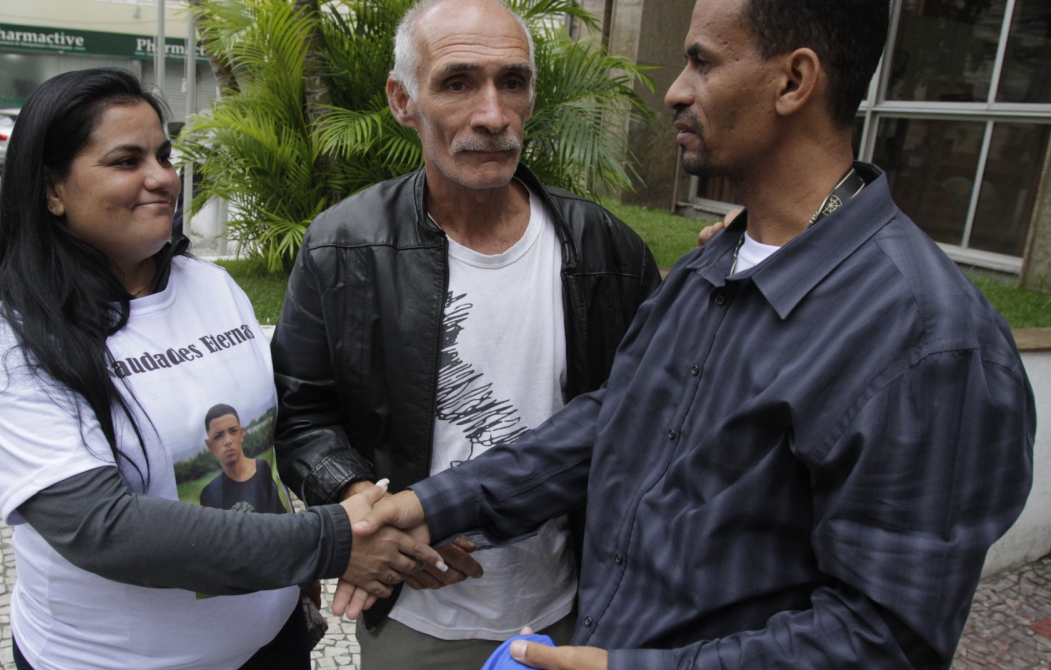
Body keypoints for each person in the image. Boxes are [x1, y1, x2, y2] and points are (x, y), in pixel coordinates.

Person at [353, 0, 1037, 667]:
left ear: (794, 81)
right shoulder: (715, 263)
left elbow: (888, 640)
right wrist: (437, 504)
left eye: (702, 63)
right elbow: (612, 421)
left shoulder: (927, 341)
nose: (676, 91)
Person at [0, 68, 443, 670]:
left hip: (272, 647)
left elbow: (274, 433)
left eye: (163, 155)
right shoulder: (9, 339)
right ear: (53, 189)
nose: (161, 178)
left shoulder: (210, 286)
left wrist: (356, 515)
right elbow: (102, 528)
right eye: (126, 161)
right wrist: (331, 543)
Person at [270, 0, 661, 667]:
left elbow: (647, 424)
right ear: (402, 99)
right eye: (457, 83)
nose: (492, 114)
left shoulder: (606, 251)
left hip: (576, 612)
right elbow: (304, 416)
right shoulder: (344, 247)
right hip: (419, 621)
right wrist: (360, 498)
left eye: (513, 82)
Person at [199, 403, 287, 514]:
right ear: (210, 445)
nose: (228, 441)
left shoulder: (262, 469)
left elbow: (281, 519)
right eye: (218, 436)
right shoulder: (209, 494)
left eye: (233, 431)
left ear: (241, 434)